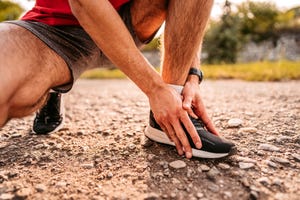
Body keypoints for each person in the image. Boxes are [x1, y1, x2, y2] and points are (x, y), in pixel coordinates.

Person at [0, 0, 236, 159]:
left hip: (129, 20)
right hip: (54, 28)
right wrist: (155, 88)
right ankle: (52, 89)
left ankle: (169, 123)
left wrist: (189, 76)